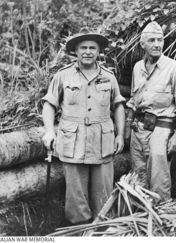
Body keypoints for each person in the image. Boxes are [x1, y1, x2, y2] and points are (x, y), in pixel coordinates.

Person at [41, 27, 125, 225]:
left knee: (103, 195)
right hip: (73, 142)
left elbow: (118, 106)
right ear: (75, 51)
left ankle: (102, 230)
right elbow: (49, 105)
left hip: (102, 142)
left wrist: (120, 135)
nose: (88, 51)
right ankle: (79, 232)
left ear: (98, 52)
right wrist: (49, 131)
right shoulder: (62, 76)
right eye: (83, 48)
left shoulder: (109, 77)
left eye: (92, 48)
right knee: (76, 197)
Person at [125, 21, 176, 202]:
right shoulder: (137, 68)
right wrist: (127, 126)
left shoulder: (174, 67)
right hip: (138, 129)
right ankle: (140, 221)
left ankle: (160, 219)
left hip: (161, 130)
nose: (157, 44)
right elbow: (133, 100)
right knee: (137, 179)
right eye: (152, 40)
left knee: (158, 181)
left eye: (160, 40)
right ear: (142, 44)